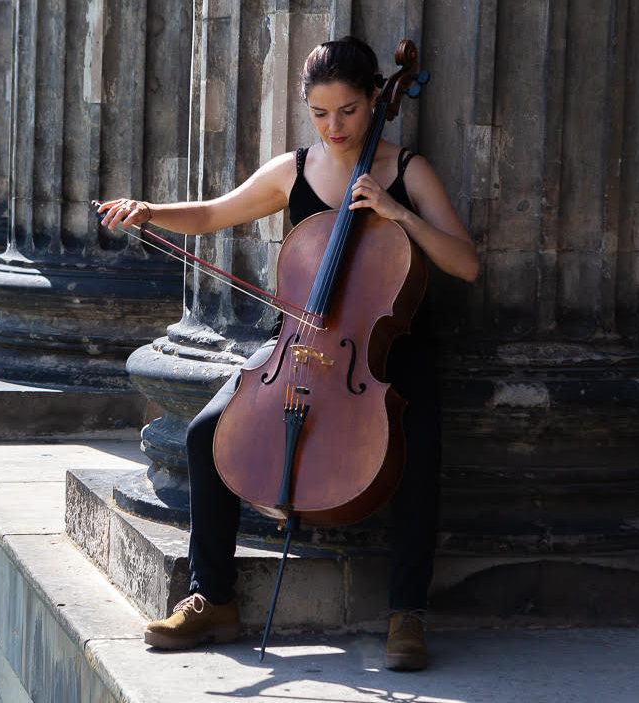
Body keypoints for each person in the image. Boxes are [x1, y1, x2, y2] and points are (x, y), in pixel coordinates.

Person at [98, 36, 478, 671]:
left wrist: (397, 213)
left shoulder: (408, 170)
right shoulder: (294, 170)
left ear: (374, 100)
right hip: (299, 344)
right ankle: (212, 597)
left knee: (417, 445)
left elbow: (465, 264)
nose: (335, 127)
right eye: (321, 113)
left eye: (349, 110)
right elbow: (213, 214)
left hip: (387, 351)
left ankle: (407, 613)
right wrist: (150, 211)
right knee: (205, 432)